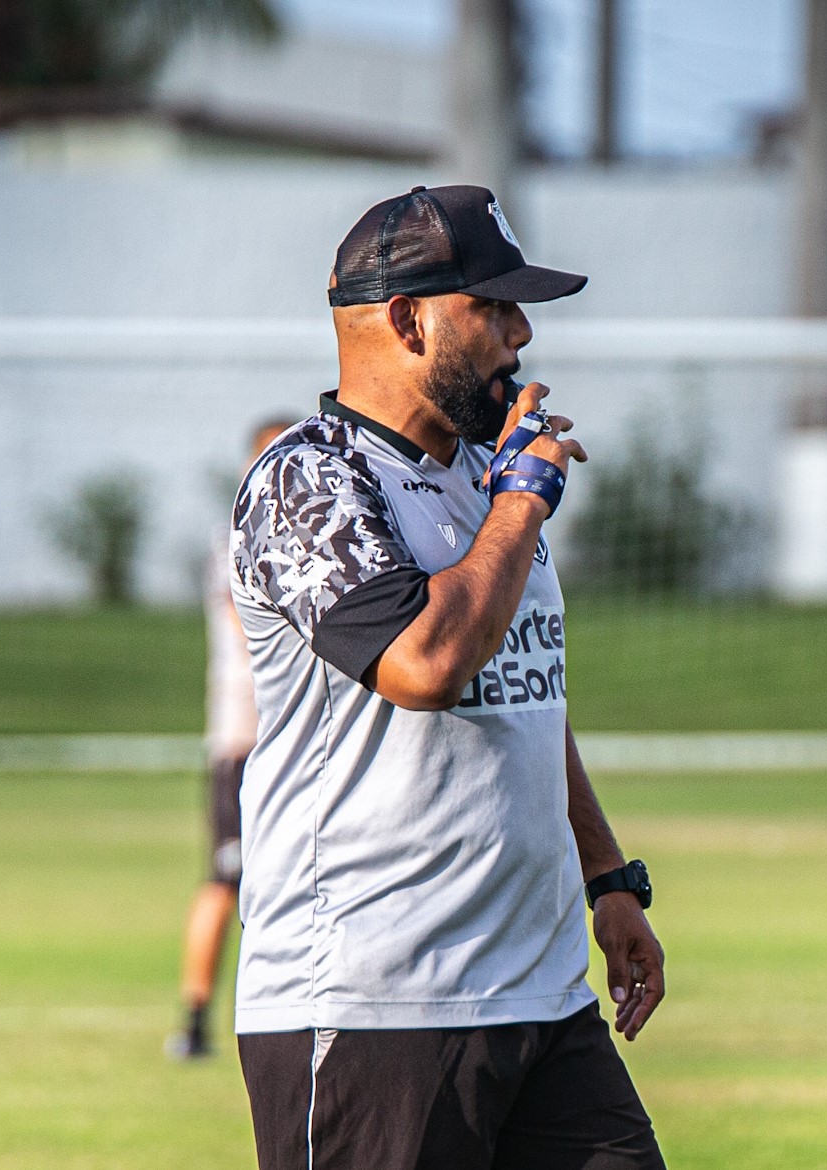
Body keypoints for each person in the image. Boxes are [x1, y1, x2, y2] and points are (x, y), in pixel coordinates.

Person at [228, 184, 667, 1169]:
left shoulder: (488, 474)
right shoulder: (309, 480)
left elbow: (527, 699)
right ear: (406, 317)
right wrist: (520, 503)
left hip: (541, 993)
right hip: (369, 1005)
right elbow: (425, 665)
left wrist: (608, 879)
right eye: (495, 308)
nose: (520, 337)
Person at [169, 418, 294, 1061]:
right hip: (246, 744)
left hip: (297, 742)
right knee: (227, 882)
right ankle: (194, 1019)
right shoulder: (240, 540)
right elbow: (257, 628)